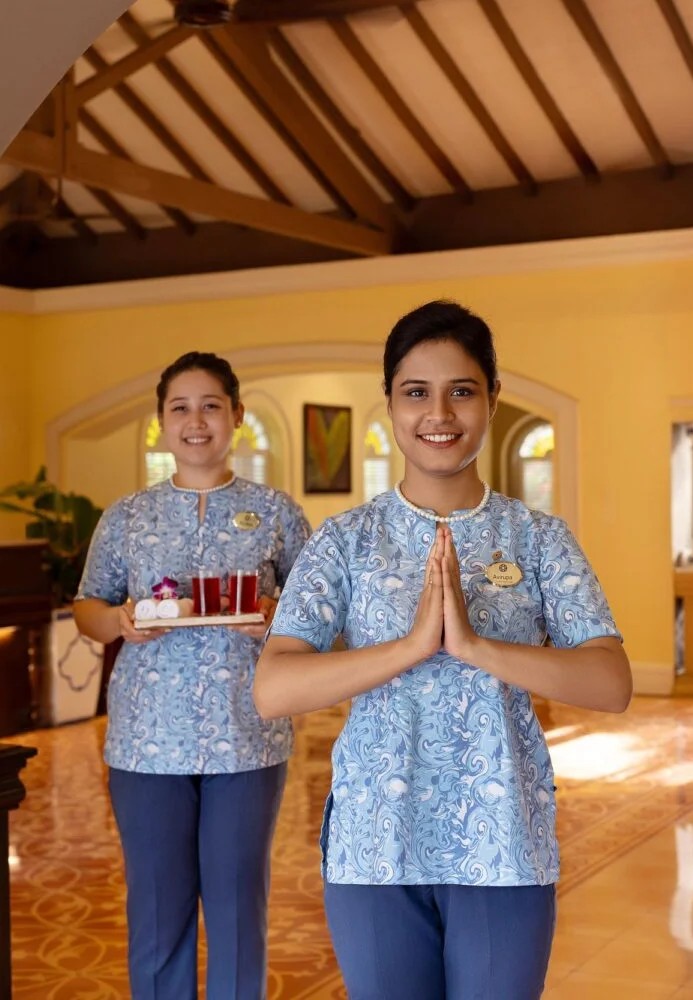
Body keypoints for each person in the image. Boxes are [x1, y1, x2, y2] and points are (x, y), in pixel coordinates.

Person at [253, 301, 632, 1000]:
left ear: (492, 398)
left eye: (461, 390)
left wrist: (474, 645)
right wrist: (408, 646)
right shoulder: (345, 540)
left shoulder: (537, 538)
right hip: (374, 844)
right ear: (389, 403)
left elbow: (610, 682)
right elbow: (273, 689)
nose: (439, 414)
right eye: (415, 392)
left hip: (503, 844)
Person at [74, 351, 310, 1000]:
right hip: (146, 743)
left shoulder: (276, 512)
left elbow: (319, 612)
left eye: (211, 406)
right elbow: (88, 607)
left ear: (237, 415)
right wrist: (118, 621)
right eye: (179, 408)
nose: (196, 421)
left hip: (248, 734)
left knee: (237, 909)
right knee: (156, 912)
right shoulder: (127, 516)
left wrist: (276, 619)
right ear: (161, 422)